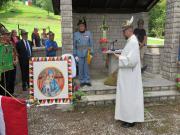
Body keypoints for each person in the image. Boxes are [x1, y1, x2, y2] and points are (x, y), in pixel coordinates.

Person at [114, 16, 144, 128]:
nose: (123, 33)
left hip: (130, 77)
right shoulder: (131, 41)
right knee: (127, 96)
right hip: (127, 76)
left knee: (130, 97)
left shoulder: (133, 42)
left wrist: (119, 58)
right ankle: (126, 117)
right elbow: (129, 55)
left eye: (123, 31)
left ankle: (131, 120)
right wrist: (122, 54)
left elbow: (132, 61)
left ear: (129, 31)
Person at [73, 17, 94, 87]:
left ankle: (87, 80)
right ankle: (81, 81)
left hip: (87, 53)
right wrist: (75, 55)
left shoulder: (89, 33)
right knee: (80, 68)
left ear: (85, 27)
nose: (81, 27)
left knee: (87, 68)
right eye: (80, 26)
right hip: (79, 54)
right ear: (78, 27)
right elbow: (74, 46)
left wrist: (91, 53)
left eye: (83, 26)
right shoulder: (75, 34)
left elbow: (91, 44)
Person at [0, 31, 18, 96]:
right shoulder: (1, 44)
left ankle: (9, 94)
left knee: (10, 81)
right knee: (3, 82)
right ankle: (3, 96)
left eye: (8, 35)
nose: (7, 36)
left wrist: (16, 59)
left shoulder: (10, 43)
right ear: (2, 36)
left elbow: (15, 52)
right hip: (3, 67)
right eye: (6, 35)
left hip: (10, 65)